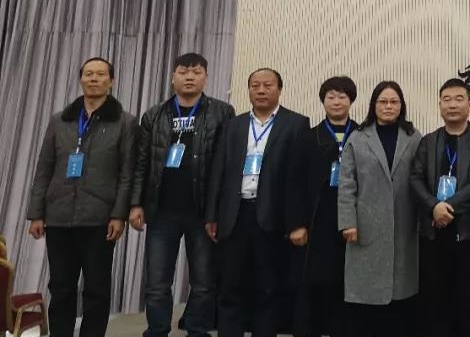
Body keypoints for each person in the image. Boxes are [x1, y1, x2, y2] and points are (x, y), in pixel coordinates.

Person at [26, 57, 138, 337]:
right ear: (81, 79)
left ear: (111, 81)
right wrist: (36, 213)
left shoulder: (125, 122)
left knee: (97, 289)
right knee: (61, 287)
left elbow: (127, 173)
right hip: (58, 217)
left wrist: (119, 215)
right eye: (88, 74)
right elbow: (44, 169)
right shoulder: (60, 120)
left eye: (100, 74)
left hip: (100, 219)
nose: (94, 79)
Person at [129, 53, 235, 337]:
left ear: (206, 78)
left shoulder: (222, 112)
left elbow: (227, 165)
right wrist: (136, 204)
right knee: (157, 283)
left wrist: (220, 210)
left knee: (203, 283)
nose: (189, 77)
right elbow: (141, 163)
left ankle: (197, 331)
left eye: (196, 72)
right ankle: (157, 331)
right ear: (172, 77)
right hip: (161, 211)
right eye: (183, 71)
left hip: (203, 212)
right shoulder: (154, 115)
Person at [205, 68, 313, 337]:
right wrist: (212, 215)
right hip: (234, 216)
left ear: (279, 89)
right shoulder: (234, 125)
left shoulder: (296, 124)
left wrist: (298, 222)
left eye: (267, 85)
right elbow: (218, 171)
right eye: (255, 86)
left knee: (268, 289)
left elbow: (301, 178)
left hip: (272, 218)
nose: (261, 90)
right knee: (230, 287)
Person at [410, 78, 470, 337]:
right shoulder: (428, 141)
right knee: (436, 301)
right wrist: (433, 207)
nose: (452, 105)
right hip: (433, 234)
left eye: (459, 99)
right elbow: (415, 178)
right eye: (446, 100)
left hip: (469, 233)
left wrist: (446, 207)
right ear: (439, 105)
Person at [339, 81, 423, 337]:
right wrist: (348, 221)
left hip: (404, 223)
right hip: (366, 224)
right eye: (383, 101)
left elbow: (422, 178)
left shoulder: (413, 137)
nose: (388, 106)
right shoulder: (358, 137)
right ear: (373, 105)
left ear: (402, 106)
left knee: (400, 295)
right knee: (367, 294)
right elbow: (347, 183)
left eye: (394, 102)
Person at [294, 76, 359, 337]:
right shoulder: (308, 137)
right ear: (323, 101)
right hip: (317, 219)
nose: (336, 102)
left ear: (351, 101)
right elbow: (295, 183)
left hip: (353, 219)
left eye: (342, 97)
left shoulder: (363, 135)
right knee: (316, 282)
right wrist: (297, 223)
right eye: (331, 97)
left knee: (347, 282)